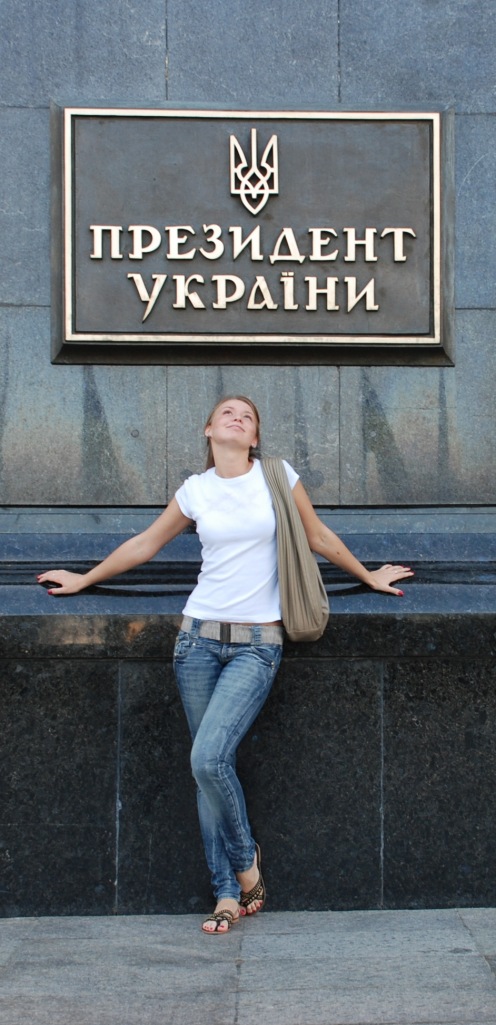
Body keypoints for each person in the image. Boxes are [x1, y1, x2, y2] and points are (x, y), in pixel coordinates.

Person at [37, 395, 413, 934]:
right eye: (227, 413)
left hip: (258, 644)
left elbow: (317, 535)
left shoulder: (277, 476)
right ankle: (225, 893)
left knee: (208, 759)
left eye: (248, 416)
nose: (237, 418)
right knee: (206, 768)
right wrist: (84, 578)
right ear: (208, 429)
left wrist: (368, 575)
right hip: (196, 641)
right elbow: (145, 544)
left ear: (254, 437)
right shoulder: (196, 490)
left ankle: (243, 860)